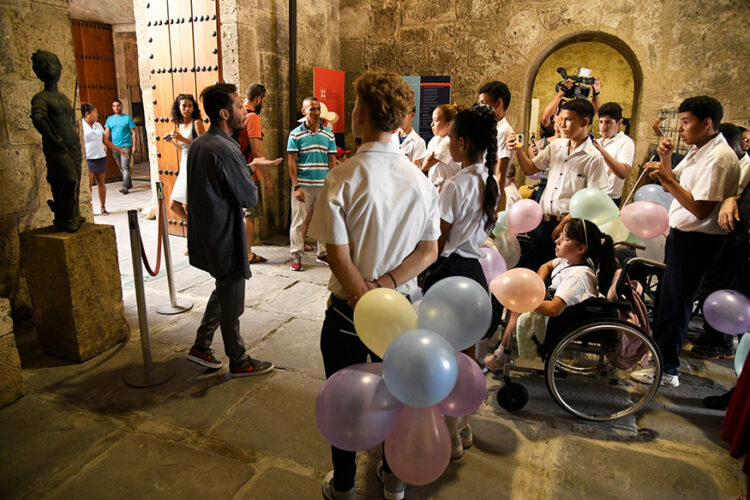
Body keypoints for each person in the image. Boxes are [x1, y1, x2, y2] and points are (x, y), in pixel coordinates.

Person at [309, 70, 439, 500]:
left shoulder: (343, 176)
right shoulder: (421, 181)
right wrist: (384, 286)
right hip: (400, 308)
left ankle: (344, 485)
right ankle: (394, 479)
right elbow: (427, 252)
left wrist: (362, 293)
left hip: (348, 309)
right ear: (401, 120)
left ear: (359, 113)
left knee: (344, 398)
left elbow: (337, 253)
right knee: (399, 394)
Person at [631, 96, 740, 388]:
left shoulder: (719, 157)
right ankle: (660, 359)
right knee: (668, 301)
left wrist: (667, 180)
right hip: (683, 236)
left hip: (699, 240)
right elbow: (674, 178)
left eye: (686, 122)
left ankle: (668, 370)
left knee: (676, 304)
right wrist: (665, 160)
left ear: (707, 123)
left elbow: (701, 208)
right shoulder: (699, 150)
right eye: (680, 122)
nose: (681, 129)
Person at [420, 104, 500, 460]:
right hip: (475, 275)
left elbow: (438, 241)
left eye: (451, 137)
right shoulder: (490, 179)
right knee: (468, 358)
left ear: (463, 142)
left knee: (446, 358)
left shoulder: (455, 184)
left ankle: (450, 437)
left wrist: (420, 268)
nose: (447, 142)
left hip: (451, 274)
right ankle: (465, 427)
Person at [184, 83, 274, 378]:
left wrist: (247, 165)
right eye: (238, 106)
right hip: (225, 237)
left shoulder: (200, 143)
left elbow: (218, 181)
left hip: (207, 235)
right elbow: (248, 197)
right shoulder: (227, 149)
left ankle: (201, 345)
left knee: (223, 290)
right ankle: (239, 360)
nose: (243, 111)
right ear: (224, 113)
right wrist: (249, 168)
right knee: (233, 305)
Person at [484, 218, 616, 369]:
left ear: (581, 249)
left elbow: (554, 309)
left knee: (517, 307)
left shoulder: (578, 276)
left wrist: (527, 301)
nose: (557, 241)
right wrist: (536, 285)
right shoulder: (569, 261)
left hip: (563, 320)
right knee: (518, 300)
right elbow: (546, 266)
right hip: (557, 308)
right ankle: (505, 350)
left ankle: (502, 356)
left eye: (564, 238)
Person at [509, 98, 610, 269]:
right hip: (542, 221)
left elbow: (593, 200)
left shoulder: (593, 157)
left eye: (568, 120)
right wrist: (518, 149)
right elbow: (530, 169)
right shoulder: (556, 146)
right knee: (538, 267)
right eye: (560, 119)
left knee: (559, 272)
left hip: (569, 228)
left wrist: (566, 223)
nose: (562, 124)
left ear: (584, 122)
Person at [690, 123, 748, 360]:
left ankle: (722, 340)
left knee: (721, 290)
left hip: (736, 241)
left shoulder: (740, 164)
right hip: (727, 238)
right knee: (710, 287)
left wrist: (732, 198)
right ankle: (713, 335)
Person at [287, 96, 337, 271]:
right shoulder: (295, 134)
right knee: (299, 221)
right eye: (312, 109)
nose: (316, 113)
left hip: (323, 184)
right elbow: (291, 161)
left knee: (323, 221)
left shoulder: (328, 134)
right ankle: (296, 255)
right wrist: (296, 186)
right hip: (304, 185)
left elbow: (332, 161)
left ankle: (322, 253)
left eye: (317, 109)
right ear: (304, 111)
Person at [238, 83, 283, 264]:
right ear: (258, 99)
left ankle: (239, 250)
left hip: (235, 171)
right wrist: (267, 178)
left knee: (239, 214)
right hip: (249, 174)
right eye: (264, 99)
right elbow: (257, 151)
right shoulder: (252, 117)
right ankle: (247, 253)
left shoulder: (237, 114)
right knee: (251, 214)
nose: (263, 103)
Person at [164, 94, 205, 224]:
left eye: (190, 106)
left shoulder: (197, 123)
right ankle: (194, 230)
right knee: (176, 205)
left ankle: (195, 232)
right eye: (184, 106)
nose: (187, 109)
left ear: (193, 108)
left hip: (194, 166)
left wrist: (182, 139)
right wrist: (173, 142)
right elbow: (184, 148)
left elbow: (203, 145)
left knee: (187, 205)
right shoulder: (181, 125)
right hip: (184, 166)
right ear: (178, 108)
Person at [478, 80, 514, 210]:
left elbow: (499, 174)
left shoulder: (504, 131)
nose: (480, 108)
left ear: (498, 103)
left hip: (492, 194)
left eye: (483, 103)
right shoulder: (490, 128)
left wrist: (493, 209)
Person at [593, 102, 635, 207]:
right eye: (601, 122)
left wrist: (602, 152)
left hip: (608, 199)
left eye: (608, 122)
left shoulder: (625, 142)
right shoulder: (598, 141)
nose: (603, 127)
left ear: (619, 122)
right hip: (592, 195)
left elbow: (623, 172)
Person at [81, 102, 114, 216]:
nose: (97, 114)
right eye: (95, 112)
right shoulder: (81, 125)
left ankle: (103, 207)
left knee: (101, 183)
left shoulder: (98, 125)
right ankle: (90, 208)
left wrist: (117, 149)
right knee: (88, 184)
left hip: (100, 157)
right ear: (87, 114)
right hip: (89, 158)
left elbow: (105, 140)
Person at [421, 104, 461, 190]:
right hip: (434, 185)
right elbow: (427, 159)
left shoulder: (449, 141)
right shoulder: (435, 139)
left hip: (447, 187)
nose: (432, 124)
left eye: (435, 121)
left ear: (449, 124)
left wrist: (419, 171)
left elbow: (427, 164)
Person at [104, 98, 137, 194]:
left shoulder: (127, 118)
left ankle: (124, 187)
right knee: (121, 167)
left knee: (125, 166)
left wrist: (134, 146)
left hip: (126, 145)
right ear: (112, 107)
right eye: (114, 106)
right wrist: (105, 144)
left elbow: (133, 133)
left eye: (118, 105)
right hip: (115, 147)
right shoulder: (110, 119)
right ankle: (129, 183)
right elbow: (107, 133)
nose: (116, 107)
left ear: (121, 106)